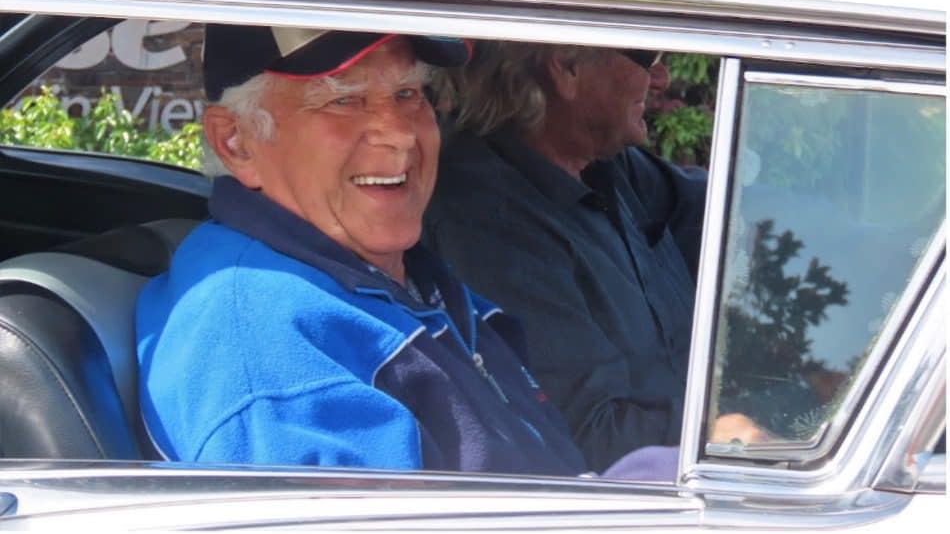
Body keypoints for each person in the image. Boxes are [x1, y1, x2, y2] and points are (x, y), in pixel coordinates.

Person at [137, 24, 639, 477]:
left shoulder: (392, 278)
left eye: (408, 93)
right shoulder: (271, 351)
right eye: (343, 100)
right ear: (236, 143)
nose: (400, 133)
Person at [424, 40, 728, 471]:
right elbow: (596, 437)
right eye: (649, 59)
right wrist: (730, 427)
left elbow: (726, 211)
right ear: (566, 68)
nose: (661, 78)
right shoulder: (487, 226)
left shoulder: (606, 164)